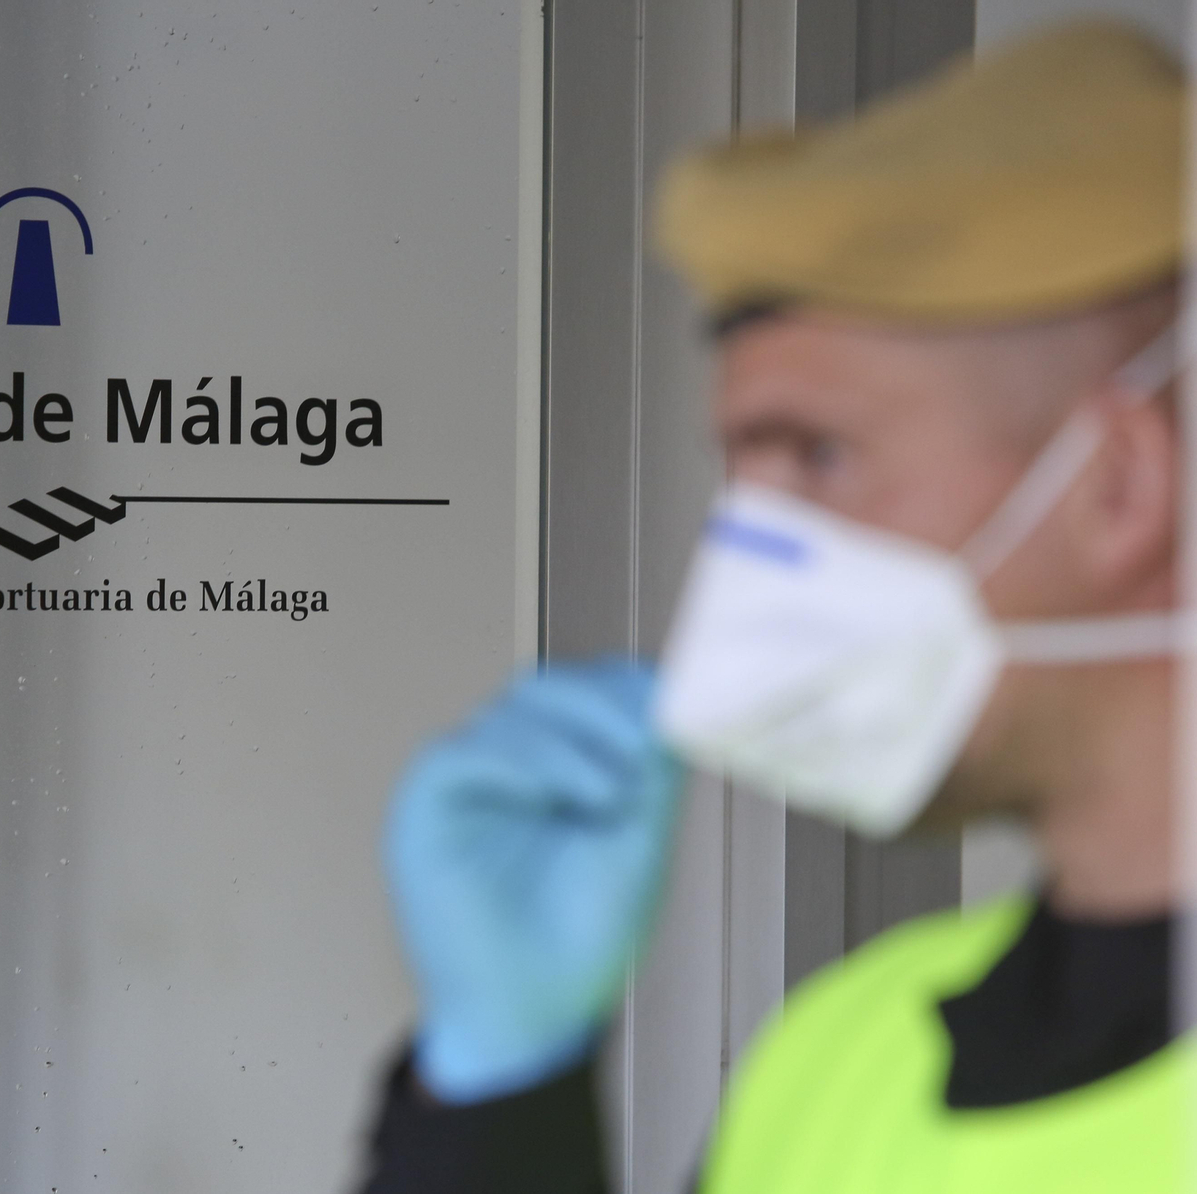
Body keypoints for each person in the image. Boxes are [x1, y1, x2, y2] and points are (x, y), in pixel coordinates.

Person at [356, 20, 1188, 1194]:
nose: (747, 561)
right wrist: (498, 1101)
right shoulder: (848, 1050)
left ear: (1119, 488)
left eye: (819, 460)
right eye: (742, 486)